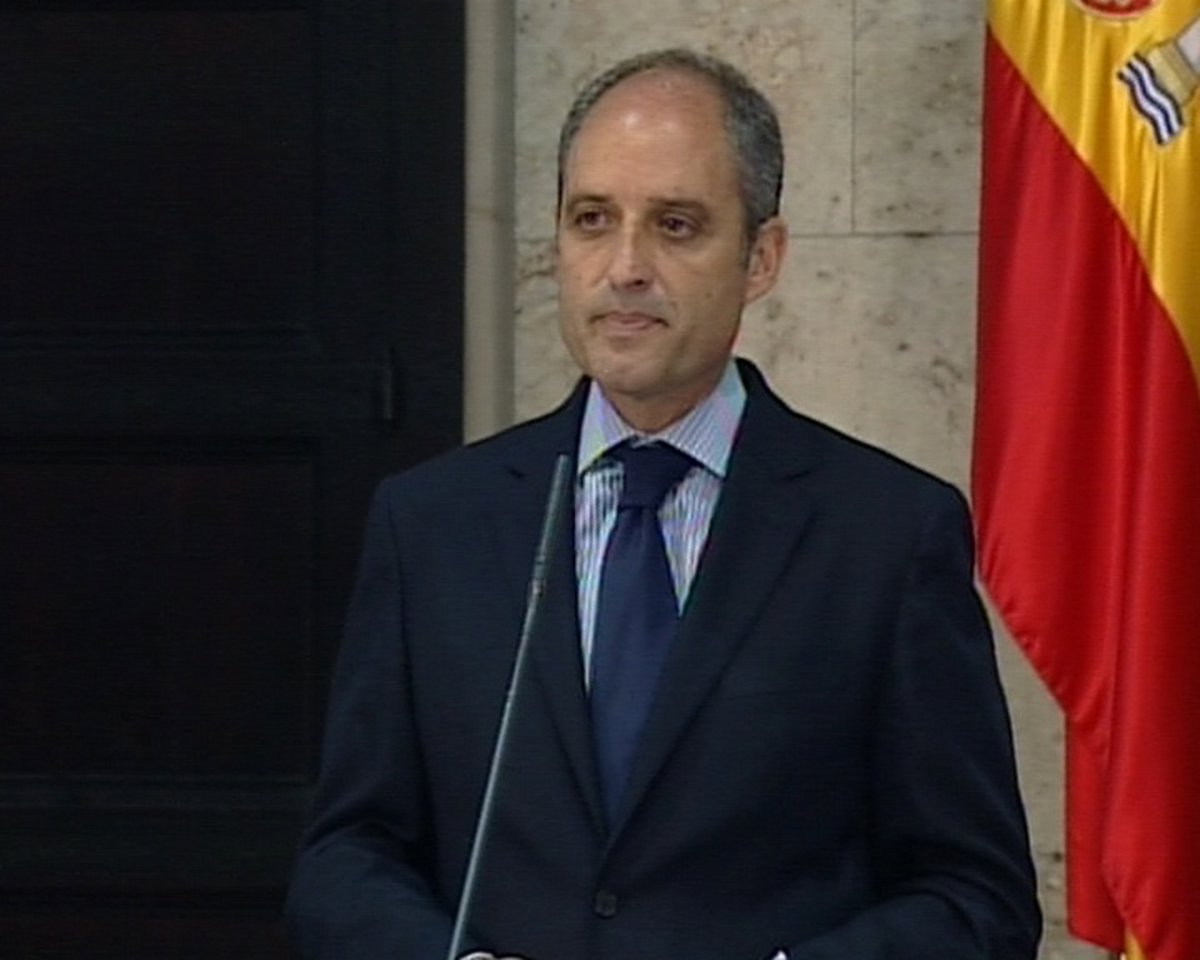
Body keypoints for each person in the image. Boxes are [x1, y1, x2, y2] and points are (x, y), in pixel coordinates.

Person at [285, 48, 1041, 960]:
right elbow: (346, 859)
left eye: (676, 225)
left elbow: (976, 898)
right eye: (592, 220)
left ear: (761, 257)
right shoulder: (434, 525)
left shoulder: (885, 534)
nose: (625, 267)